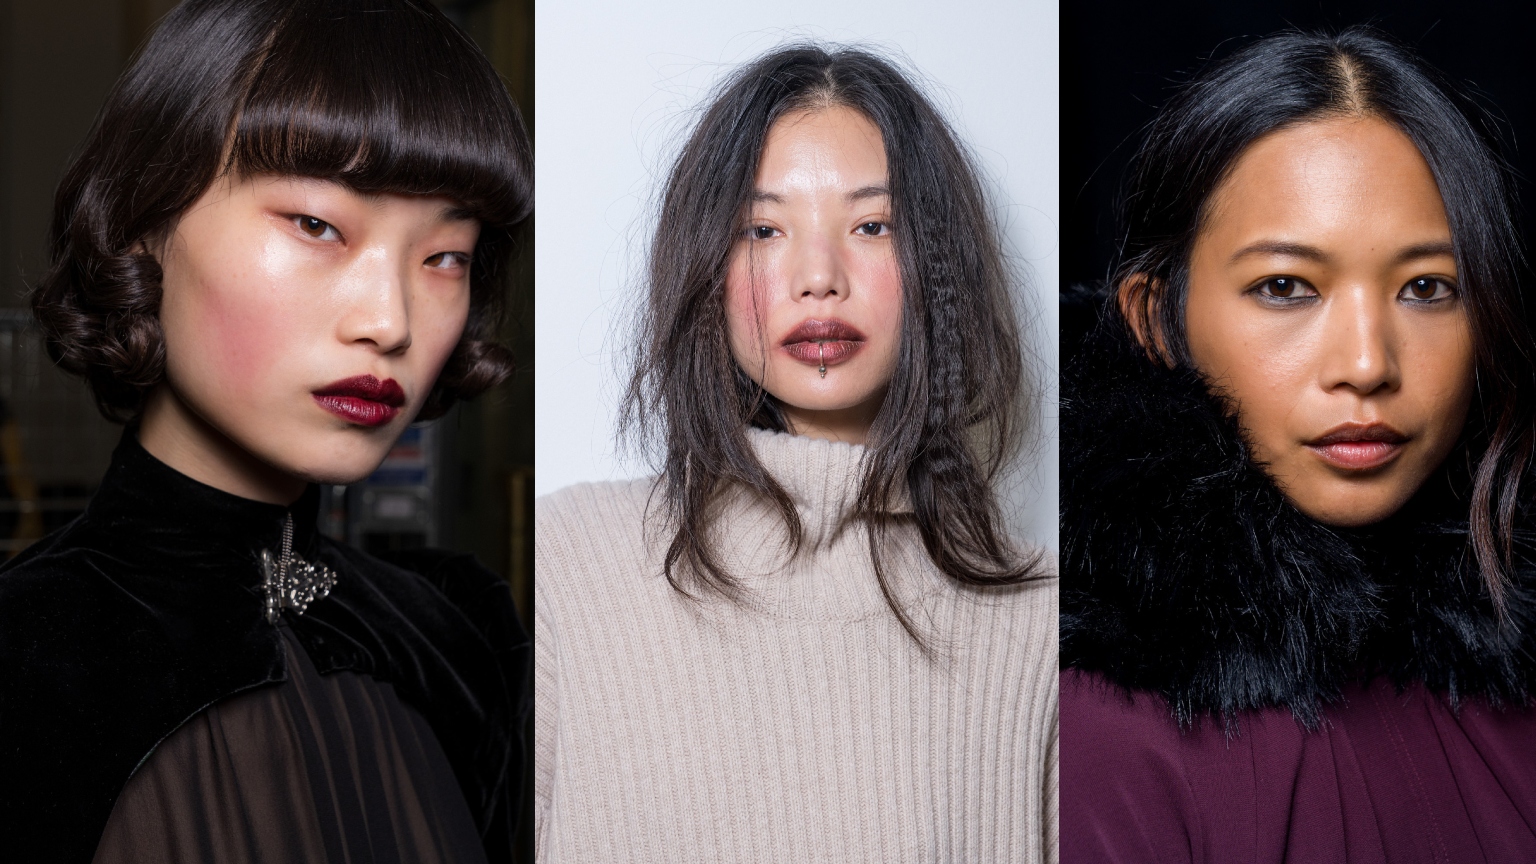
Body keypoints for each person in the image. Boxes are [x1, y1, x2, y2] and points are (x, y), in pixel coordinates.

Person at [0, 1, 533, 861]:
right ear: (143, 225)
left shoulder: (458, 641)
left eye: (446, 257)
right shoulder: (28, 660)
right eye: (318, 224)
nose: (389, 321)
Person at [535, 45, 1057, 862]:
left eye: (872, 225)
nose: (818, 276)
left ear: (937, 267)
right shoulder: (567, 565)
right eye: (763, 229)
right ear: (706, 267)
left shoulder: (1044, 619)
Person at [1060, 26, 1536, 862]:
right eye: (1286, 288)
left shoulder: (1509, 672)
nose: (1366, 365)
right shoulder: (1098, 727)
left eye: (1428, 288)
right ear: (1153, 319)